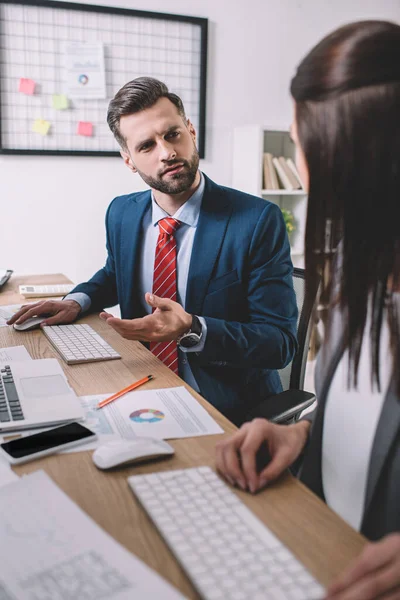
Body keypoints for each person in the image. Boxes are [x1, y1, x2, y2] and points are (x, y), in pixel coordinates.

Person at [216, 20, 400, 599]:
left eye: (301, 144)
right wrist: (301, 434)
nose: (296, 167)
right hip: (319, 544)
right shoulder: (353, 269)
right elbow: (361, 410)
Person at [9, 77, 297, 425]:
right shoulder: (122, 212)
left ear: (191, 131)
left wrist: (191, 328)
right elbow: (116, 275)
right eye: (147, 145)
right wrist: (77, 301)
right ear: (128, 160)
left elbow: (279, 343)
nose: (167, 152)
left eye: (173, 134)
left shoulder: (255, 220)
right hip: (141, 382)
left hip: (225, 403)